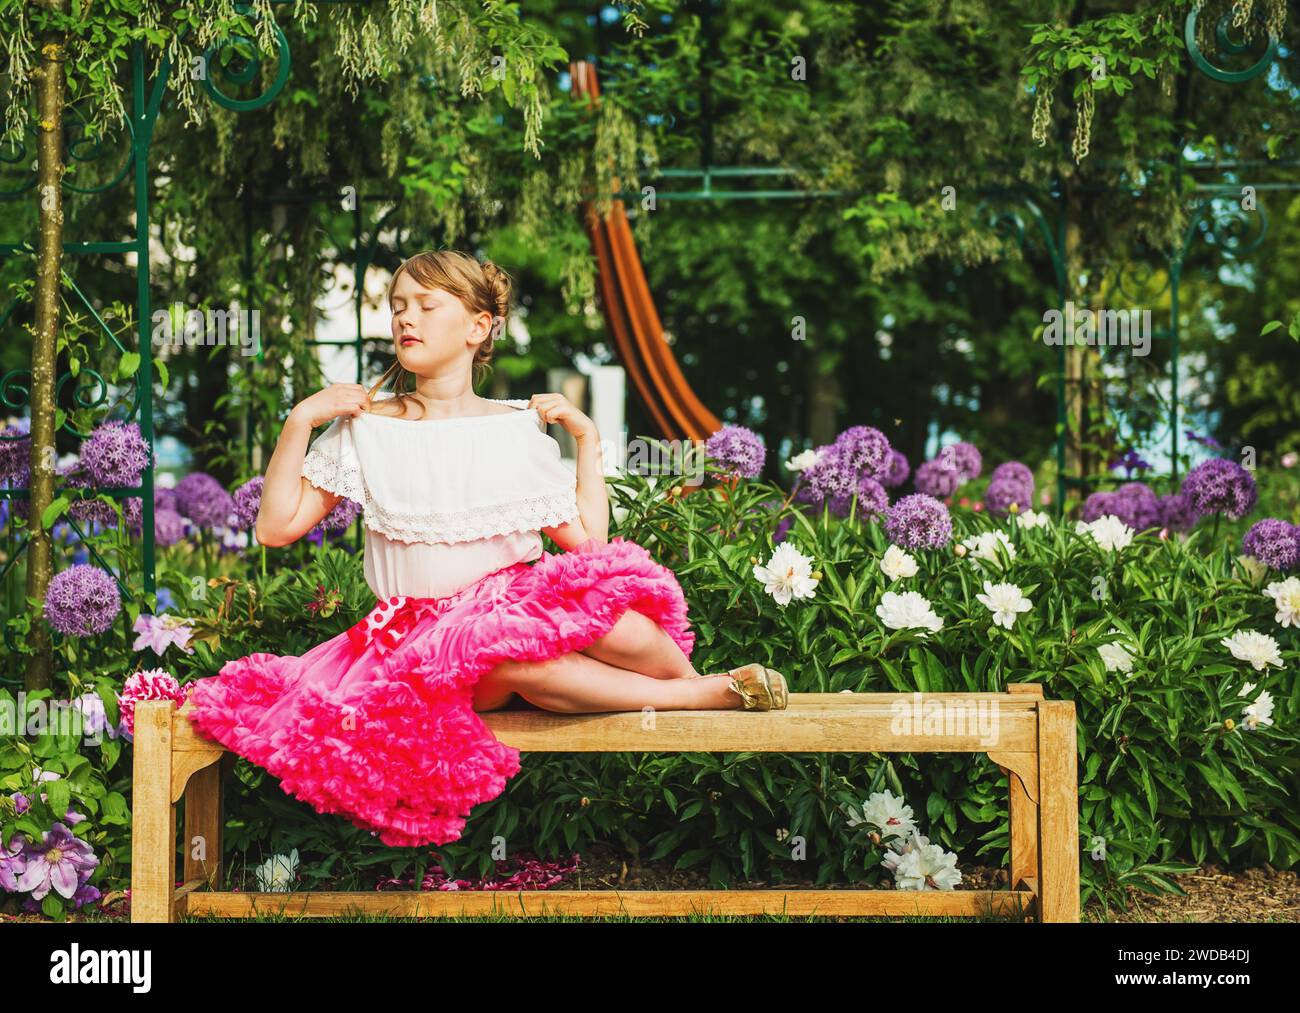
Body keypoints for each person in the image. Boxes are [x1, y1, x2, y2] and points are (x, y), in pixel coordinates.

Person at [180, 249, 787, 849]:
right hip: (421, 637)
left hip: (510, 598)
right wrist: (300, 421)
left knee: (620, 627)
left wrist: (587, 437)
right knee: (520, 659)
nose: (404, 320)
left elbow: (590, 548)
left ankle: (705, 691)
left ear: (478, 327)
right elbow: (274, 528)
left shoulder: (515, 427)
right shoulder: (367, 427)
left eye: (425, 305)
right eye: (397, 307)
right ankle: (699, 695)